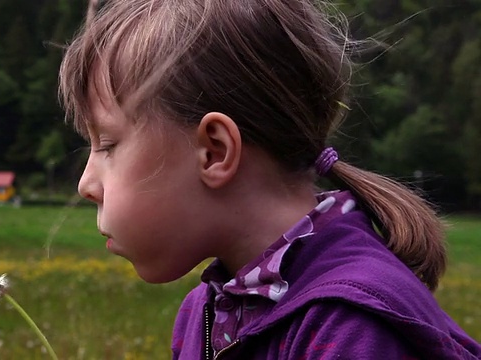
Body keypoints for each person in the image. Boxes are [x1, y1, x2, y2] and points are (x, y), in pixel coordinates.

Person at [58, 0, 481, 358]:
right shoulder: (206, 310)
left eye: (108, 145)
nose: (86, 184)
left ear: (214, 151)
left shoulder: (351, 329)